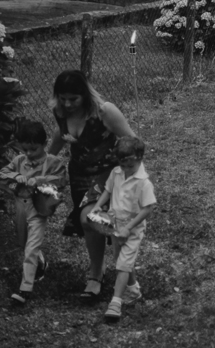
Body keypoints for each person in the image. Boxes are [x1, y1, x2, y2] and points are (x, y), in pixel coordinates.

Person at [46, 69, 136, 301]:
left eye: (73, 99)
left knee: (89, 218)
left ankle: (116, 276)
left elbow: (133, 142)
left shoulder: (104, 111)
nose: (67, 103)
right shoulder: (60, 111)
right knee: (89, 224)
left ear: (85, 95)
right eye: (63, 98)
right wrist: (45, 161)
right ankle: (100, 271)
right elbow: (60, 134)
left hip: (108, 175)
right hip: (79, 175)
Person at [0, 118, 68, 306]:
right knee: (23, 242)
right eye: (25, 149)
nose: (28, 153)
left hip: (38, 207)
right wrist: (17, 177)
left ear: (44, 145)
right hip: (21, 205)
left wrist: (39, 180)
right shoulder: (19, 161)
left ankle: (25, 289)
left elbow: (61, 180)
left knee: (31, 247)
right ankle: (41, 262)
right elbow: (1, 175)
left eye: (33, 150)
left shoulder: (53, 162)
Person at [87, 137, 157, 323]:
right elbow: (108, 191)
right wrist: (97, 207)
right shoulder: (116, 173)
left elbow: (148, 208)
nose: (126, 170)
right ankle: (133, 290)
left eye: (130, 166)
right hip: (115, 226)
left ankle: (115, 302)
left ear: (140, 158)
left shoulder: (143, 183)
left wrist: (128, 227)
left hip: (132, 229)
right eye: (123, 165)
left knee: (122, 265)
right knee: (122, 260)